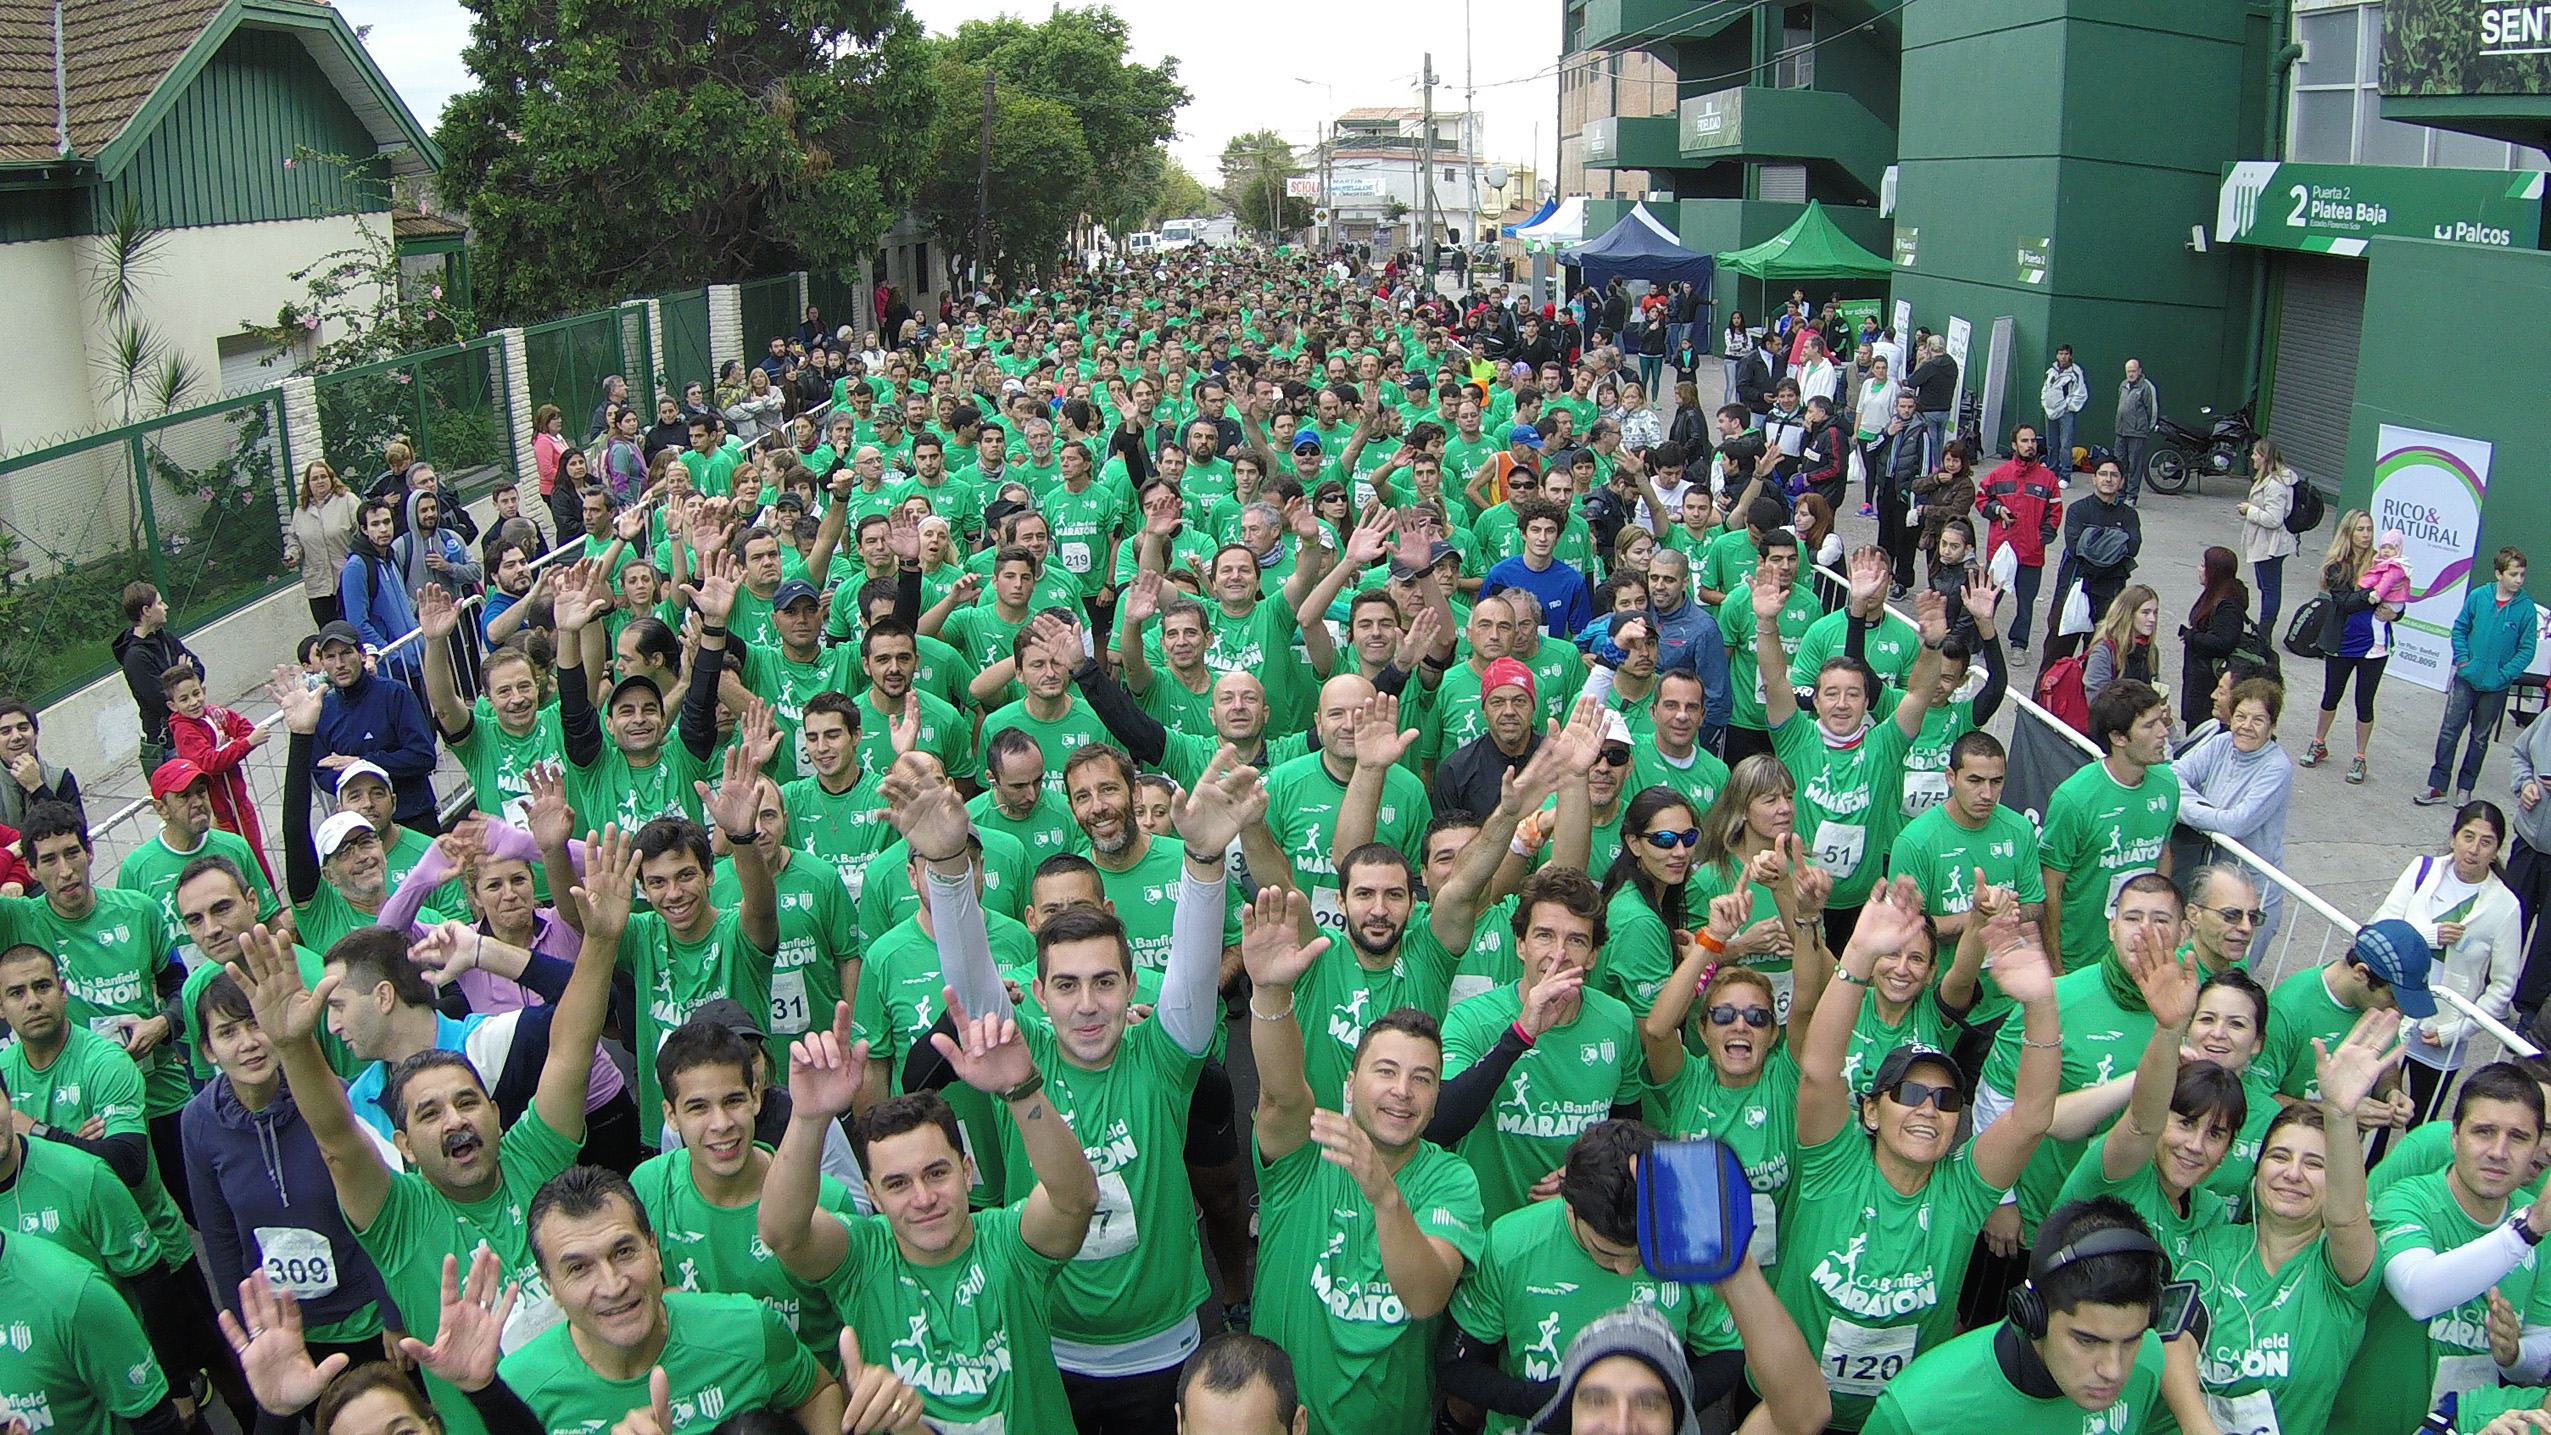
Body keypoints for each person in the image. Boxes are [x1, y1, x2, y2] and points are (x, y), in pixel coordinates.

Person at [227, 802, 622, 1435]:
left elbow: (573, 1047)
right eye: (429, 1113)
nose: (454, 1121)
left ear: (496, 1114)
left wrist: (600, 939)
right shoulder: (400, 1218)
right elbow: (335, 1139)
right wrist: (294, 1046)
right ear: (403, 1142)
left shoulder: (533, 1157)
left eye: (467, 1102)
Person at [757, 864, 1101, 1434]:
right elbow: (782, 1232)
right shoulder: (865, 1259)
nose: (922, 1197)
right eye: (895, 1184)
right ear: (869, 1194)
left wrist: (1022, 1089)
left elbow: (1073, 1200)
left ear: (967, 1171)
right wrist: (811, 1117)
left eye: (936, 1172)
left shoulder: (1006, 1245)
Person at [1778, 877, 2062, 1428]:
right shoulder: (1833, 1168)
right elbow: (1817, 1070)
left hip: (1901, 1419)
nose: (1928, 1108)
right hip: (1791, 1409)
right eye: (1908, 1093)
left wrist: (2042, 1005)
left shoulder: (1961, 1191)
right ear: (1870, 1111)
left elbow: (2031, 1119)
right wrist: (1858, 955)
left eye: (1945, 1097)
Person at [1231, 872, 1483, 1435]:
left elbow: (1424, 1297)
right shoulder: (1306, 1153)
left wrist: (1384, 1196)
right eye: (1386, 1071)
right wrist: (1270, 994)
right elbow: (1278, 1090)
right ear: (1349, 1083)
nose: (1402, 1091)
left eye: (1423, 1079)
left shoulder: (1452, 1181)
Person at [181, 970, 396, 1435]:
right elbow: (219, 1242)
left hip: (367, 1318)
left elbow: (378, 1211)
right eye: (227, 1032)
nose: (248, 1043)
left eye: (256, 1023)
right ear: (206, 1051)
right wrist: (252, 1340)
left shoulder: (331, 1096)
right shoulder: (197, 1123)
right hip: (289, 1333)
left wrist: (394, 1313)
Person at [1441, 1121, 1746, 1432]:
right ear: (1570, 1207)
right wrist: (1558, 1402)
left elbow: (1727, 1351)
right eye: (1608, 1253)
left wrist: (1659, 1403)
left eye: (1644, 1255)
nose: (1626, 1270)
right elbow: (1456, 1364)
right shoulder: (1511, 1244)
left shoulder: (1687, 1243)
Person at [497, 1163, 843, 1435]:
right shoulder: (516, 1387)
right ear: (549, 1286)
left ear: (653, 1248)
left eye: (623, 1251)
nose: (613, 1284)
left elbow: (816, 1393)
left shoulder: (749, 1329)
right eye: (579, 1268)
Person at [2175, 1009, 2395, 1435]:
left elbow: (2347, 1218)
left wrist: (2341, 1113)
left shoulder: (2340, 1273)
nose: (2293, 1174)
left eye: (2315, 1164)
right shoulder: (2213, 1243)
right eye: (2279, 1157)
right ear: (2256, 1173)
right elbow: (2177, 1340)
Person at [2329, 1063, 2551, 1435]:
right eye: (2484, 1132)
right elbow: (2419, 1292)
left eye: (2518, 1137)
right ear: (2453, 1136)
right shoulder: (2407, 1199)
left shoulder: (2538, 1225)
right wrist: (2525, 1231)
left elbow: (2540, 1352)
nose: (2499, 1151)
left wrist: (2514, 1354)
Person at [1862, 1198, 2171, 1435]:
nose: (2113, 1370)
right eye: (2087, 1340)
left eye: (2131, 1339)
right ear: (2032, 1314)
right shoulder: (1917, 1411)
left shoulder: (2150, 1360)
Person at [2376, 802, 2524, 1128]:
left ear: (2497, 849)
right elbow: (2379, 928)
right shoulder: (2423, 871)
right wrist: (2429, 935)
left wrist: (2457, 1031)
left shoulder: (2505, 906)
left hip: (2441, 1034)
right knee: (2375, 1115)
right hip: (2393, 1013)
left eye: (2485, 842)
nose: (2473, 850)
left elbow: (2502, 984)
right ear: (2453, 836)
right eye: (2467, 836)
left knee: (2422, 1125)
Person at [2038, 679, 2177, 974]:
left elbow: (2162, 854)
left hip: (2140, 954)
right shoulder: (2073, 799)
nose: (2163, 733)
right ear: (2118, 737)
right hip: (2081, 959)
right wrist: (2055, 965)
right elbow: (2051, 886)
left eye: (2161, 722)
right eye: (2149, 726)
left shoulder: (2167, 785)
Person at [2173, 677, 2295, 960]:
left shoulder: (2277, 768)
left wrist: (2186, 807)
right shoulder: (2220, 743)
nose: (2246, 727)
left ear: (2272, 726)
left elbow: (2236, 824)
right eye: (2240, 716)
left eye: (2258, 720)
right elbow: (2174, 775)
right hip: (2214, 880)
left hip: (2253, 889)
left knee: (2233, 973)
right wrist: (2206, 811)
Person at [2422, 546, 2537, 808]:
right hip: (2466, 678)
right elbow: (2460, 628)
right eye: (2514, 574)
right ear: (2499, 574)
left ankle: (2465, 788)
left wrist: (2504, 674)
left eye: (2522, 575)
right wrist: (2463, 660)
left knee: (2479, 737)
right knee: (2450, 731)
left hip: (2495, 686)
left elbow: (2526, 649)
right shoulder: (2478, 597)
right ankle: (2437, 785)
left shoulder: (2525, 609)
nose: (2519, 580)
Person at [308, 619, 441, 832]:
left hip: (412, 816)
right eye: (330, 657)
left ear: (362, 655)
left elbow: (422, 756)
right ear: (322, 664)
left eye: (346, 653)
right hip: (360, 827)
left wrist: (361, 763)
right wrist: (361, 795)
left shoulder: (395, 694)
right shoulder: (322, 711)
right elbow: (322, 772)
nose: (339, 663)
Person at [2302, 509, 2395, 784]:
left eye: (2369, 529)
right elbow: (2347, 603)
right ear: (2348, 533)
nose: (2366, 536)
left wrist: (2394, 612)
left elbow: (2398, 596)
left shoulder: (2383, 562)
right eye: (2360, 530)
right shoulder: (2336, 567)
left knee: (2364, 703)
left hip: (2374, 646)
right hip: (2342, 642)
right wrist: (2376, 592)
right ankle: (2319, 742)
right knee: (2332, 695)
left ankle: (2360, 757)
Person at [1975, 428, 2060, 654]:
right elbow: (1981, 499)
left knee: (2025, 604)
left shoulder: (2048, 479)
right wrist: (1997, 508)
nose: (2029, 445)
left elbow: (2055, 512)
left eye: (2033, 440)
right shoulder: (1997, 474)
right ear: (2014, 445)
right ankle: (1981, 642)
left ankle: (2019, 645)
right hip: (2001, 550)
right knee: (1989, 598)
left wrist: (2041, 539)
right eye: (2024, 441)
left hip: (2031, 553)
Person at [2052, 459, 2141, 657]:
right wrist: (2115, 540)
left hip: (2110, 592)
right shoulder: (2078, 509)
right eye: (2102, 474)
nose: (2108, 479)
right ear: (2094, 479)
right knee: (2056, 657)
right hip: (2074, 588)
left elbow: (2133, 547)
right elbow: (2076, 548)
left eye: (2114, 475)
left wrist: (2092, 537)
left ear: (2122, 481)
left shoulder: (2129, 515)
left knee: (2099, 658)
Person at [115, 579, 204, 765]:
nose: (166, 607)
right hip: (169, 742)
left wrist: (179, 677)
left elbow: (198, 667)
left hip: (190, 730)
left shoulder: (165, 638)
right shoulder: (135, 658)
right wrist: (184, 672)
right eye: (160, 603)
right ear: (146, 611)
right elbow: (164, 701)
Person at [2177, 547, 2249, 730]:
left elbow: (2224, 642)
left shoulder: (2227, 604)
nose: (2199, 569)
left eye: (2203, 565)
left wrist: (2191, 637)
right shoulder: (2213, 594)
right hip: (2199, 684)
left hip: (2208, 685)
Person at [2235, 438, 2301, 635]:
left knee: (2270, 589)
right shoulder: (2269, 479)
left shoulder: (2275, 485)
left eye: (2256, 453)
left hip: (2272, 545)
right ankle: (2264, 628)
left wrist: (2250, 510)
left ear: (2264, 457)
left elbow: (2274, 519)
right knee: (2265, 587)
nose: (2252, 457)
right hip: (2264, 543)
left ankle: (2265, 631)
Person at [288, 460, 362, 627]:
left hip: (346, 578)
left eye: (323, 476)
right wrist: (292, 555)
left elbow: (363, 532)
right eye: (314, 478)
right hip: (318, 585)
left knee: (354, 628)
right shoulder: (301, 511)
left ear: (331, 478)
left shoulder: (347, 501)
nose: (320, 481)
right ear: (308, 484)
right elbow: (295, 540)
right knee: (329, 633)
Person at [0, 696, 80, 833]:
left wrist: (36, 787)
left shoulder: (60, 778)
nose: (16, 737)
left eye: (23, 728)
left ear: (35, 734)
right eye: (5, 731)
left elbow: (76, 832)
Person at [2080, 583, 2159, 696]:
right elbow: (2096, 701)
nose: (2153, 619)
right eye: (2145, 612)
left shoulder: (2151, 650)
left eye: (2155, 612)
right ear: (2128, 613)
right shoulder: (2104, 651)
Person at [2039, 344, 2088, 487]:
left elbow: (2080, 392)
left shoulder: (2075, 372)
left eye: (2066, 354)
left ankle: (2065, 476)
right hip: (2050, 412)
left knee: (2065, 445)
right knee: (2052, 444)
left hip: (2065, 414)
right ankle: (2052, 473)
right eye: (2060, 353)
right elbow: (2046, 389)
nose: (2063, 357)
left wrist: (2068, 407)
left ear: (2070, 355)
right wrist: (2044, 403)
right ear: (2056, 355)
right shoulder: (2051, 371)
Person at [2115, 359, 2158, 504]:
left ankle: (2131, 496)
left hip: (2137, 433)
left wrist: (2146, 428)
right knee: (2120, 464)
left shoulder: (2146, 387)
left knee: (2134, 465)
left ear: (2139, 371)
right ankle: (2119, 494)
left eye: (2133, 371)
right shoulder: (2123, 385)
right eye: (2128, 371)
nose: (2131, 374)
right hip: (2121, 431)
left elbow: (2151, 410)